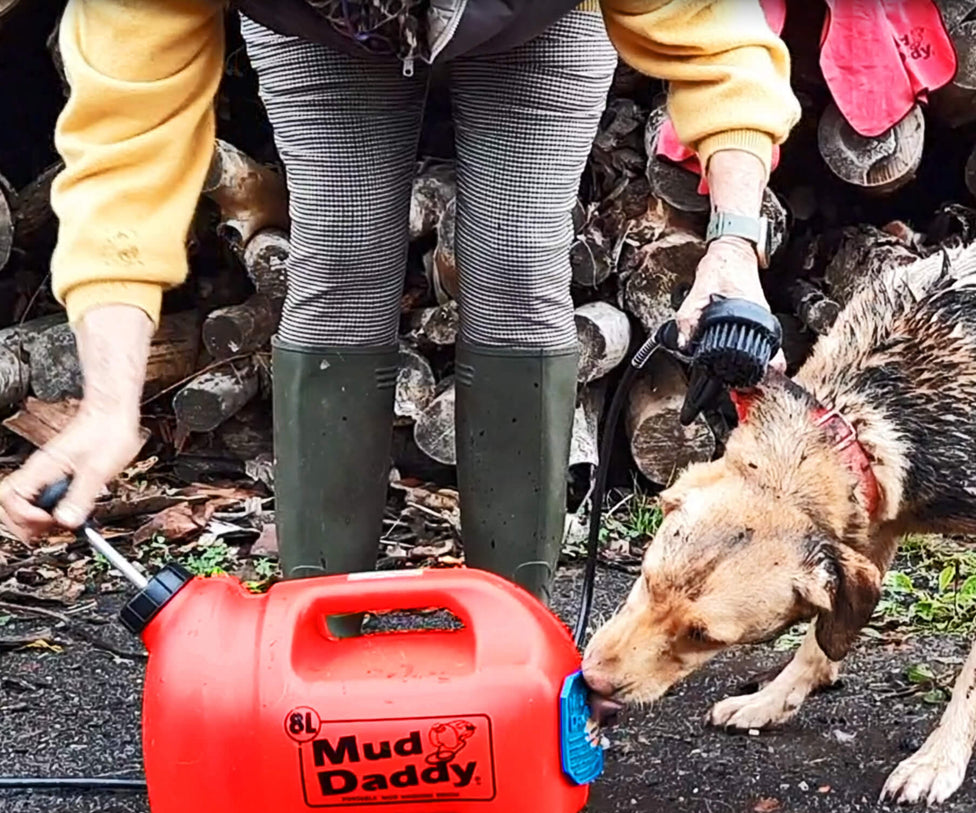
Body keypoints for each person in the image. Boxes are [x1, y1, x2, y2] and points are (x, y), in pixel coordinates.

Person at [0, 0, 800, 605]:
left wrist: (732, 242)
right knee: (340, 266)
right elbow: (126, 150)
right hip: (319, 26)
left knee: (517, 271)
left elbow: (719, 43)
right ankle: (313, 639)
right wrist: (106, 408)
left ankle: (514, 640)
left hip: (536, 19)